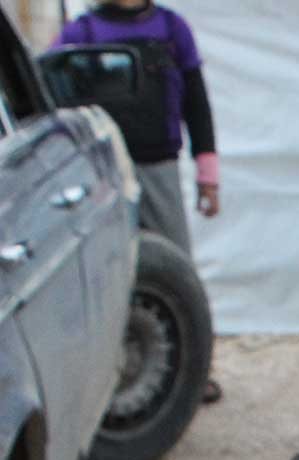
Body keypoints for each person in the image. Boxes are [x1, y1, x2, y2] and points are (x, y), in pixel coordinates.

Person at [55, 0, 224, 404]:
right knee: (106, 275)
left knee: (176, 271)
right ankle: (107, 379)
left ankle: (193, 374)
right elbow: (51, 98)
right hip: (101, 173)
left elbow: (196, 105)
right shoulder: (81, 35)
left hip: (159, 170)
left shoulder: (171, 28)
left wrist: (208, 176)